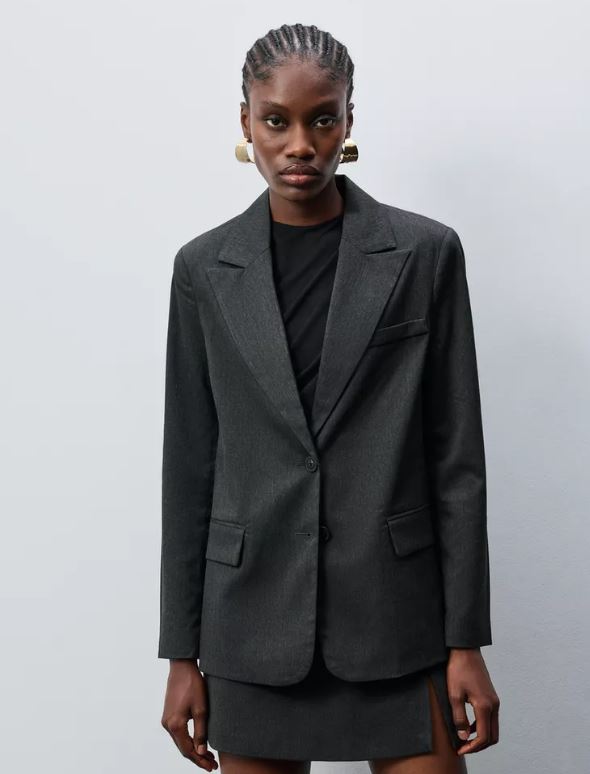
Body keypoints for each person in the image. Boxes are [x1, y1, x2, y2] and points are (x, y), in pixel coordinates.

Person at [158, 22, 500, 774]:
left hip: (396, 616)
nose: (300, 145)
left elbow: (456, 462)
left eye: (322, 119)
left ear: (349, 121)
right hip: (252, 625)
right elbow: (188, 467)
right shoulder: (204, 269)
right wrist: (180, 654)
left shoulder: (424, 254)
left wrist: (466, 641)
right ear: (246, 122)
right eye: (276, 121)